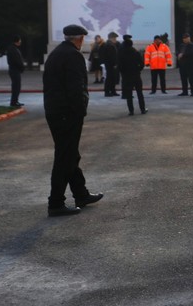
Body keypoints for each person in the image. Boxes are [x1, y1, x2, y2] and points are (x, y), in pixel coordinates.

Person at [42, 24, 103, 217]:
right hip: (67, 113)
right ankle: (56, 202)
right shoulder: (73, 56)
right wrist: (80, 110)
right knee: (64, 157)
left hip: (55, 111)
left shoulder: (57, 53)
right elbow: (76, 88)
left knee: (69, 154)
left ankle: (81, 194)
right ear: (80, 39)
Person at [118, 34, 146, 115]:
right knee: (140, 93)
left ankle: (131, 111)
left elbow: (120, 65)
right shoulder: (135, 52)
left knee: (129, 94)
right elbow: (141, 63)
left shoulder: (121, 53)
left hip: (127, 76)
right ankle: (142, 109)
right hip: (136, 75)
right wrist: (138, 70)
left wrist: (123, 73)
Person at [6, 35, 25, 107]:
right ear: (17, 41)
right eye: (20, 40)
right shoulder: (13, 49)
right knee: (16, 87)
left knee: (16, 86)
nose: (21, 42)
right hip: (14, 70)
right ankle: (14, 102)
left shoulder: (13, 48)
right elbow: (16, 61)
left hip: (15, 70)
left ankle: (15, 101)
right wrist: (21, 67)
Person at [101, 32, 120, 97]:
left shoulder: (109, 44)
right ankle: (107, 92)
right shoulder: (109, 45)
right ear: (111, 38)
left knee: (112, 78)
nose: (115, 39)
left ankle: (112, 91)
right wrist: (114, 64)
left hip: (110, 64)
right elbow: (111, 56)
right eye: (114, 38)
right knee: (109, 78)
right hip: (110, 65)